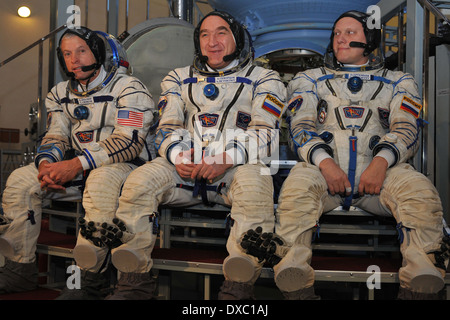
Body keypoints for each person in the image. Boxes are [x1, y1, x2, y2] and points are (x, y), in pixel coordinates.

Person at [240, 10, 449, 300]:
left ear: (370, 40)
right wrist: (325, 164)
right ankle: (293, 272)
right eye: (337, 34)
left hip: (382, 173)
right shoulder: (309, 80)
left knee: (420, 192)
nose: (341, 39)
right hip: (323, 171)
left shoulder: (400, 82)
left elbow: (406, 128)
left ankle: (422, 275)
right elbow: (301, 127)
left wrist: (380, 162)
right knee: (297, 190)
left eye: (350, 33)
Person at [110, 10, 286, 300]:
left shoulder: (266, 79)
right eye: (204, 34)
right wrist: (180, 157)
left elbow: (266, 132)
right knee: (139, 181)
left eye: (221, 33)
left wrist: (224, 159)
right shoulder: (178, 78)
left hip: (235, 167)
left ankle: (237, 290)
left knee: (256, 186)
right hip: (186, 168)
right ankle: (133, 282)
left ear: (238, 38)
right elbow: (167, 127)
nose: (211, 41)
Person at [0, 27, 157, 299]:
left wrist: (75, 165)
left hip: (123, 168)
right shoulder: (60, 93)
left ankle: (90, 279)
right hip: (78, 167)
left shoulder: (130, 88)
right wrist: (46, 167)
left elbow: (130, 142)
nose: (74, 60)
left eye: (82, 51)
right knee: (20, 181)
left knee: (99, 180)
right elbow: (56, 135)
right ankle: (18, 271)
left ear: (100, 53)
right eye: (67, 54)